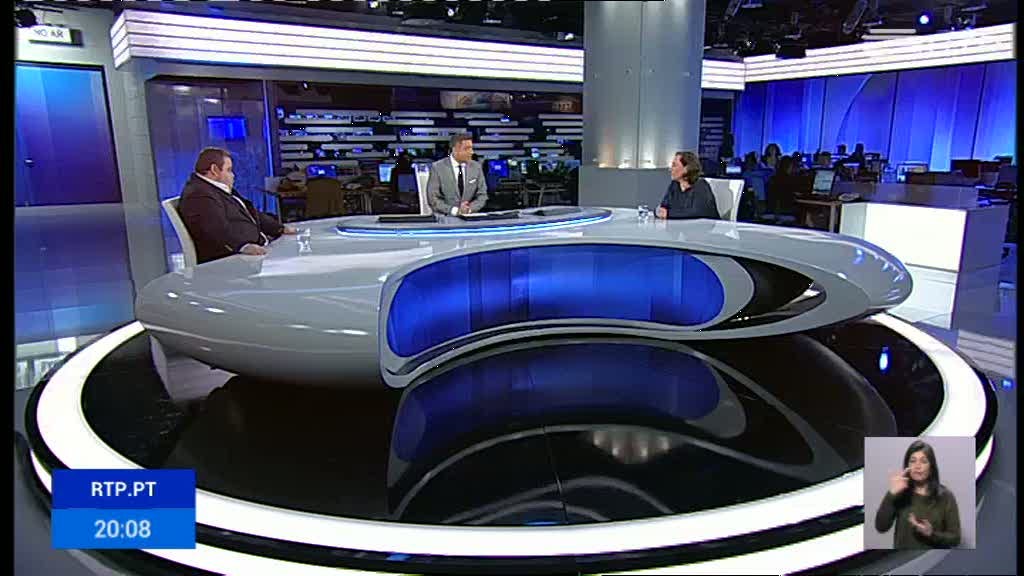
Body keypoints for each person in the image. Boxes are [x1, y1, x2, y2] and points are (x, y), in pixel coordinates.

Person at [178, 147, 297, 264]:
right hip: (234, 261)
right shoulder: (198, 194)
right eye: (229, 170)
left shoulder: (216, 189)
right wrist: (242, 246)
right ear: (214, 170)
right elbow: (215, 230)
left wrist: (279, 228)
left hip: (260, 248)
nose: (233, 175)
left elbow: (251, 213)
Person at [874, 440, 962, 549]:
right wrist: (891, 494)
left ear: (931, 467)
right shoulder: (900, 492)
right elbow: (881, 527)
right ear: (907, 466)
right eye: (913, 461)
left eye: (923, 461)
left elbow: (955, 538)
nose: (917, 466)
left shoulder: (945, 496)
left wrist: (931, 534)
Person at [427, 133, 488, 216]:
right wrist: (455, 211)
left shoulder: (476, 167)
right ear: (455, 149)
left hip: (470, 217)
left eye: (471, 148)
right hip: (445, 217)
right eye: (467, 149)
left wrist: (469, 208)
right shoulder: (437, 167)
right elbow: (433, 199)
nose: (471, 152)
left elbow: (482, 195)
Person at [655, 151, 719, 220]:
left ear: (687, 168)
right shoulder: (674, 185)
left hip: (705, 225)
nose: (671, 169)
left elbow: (697, 212)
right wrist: (659, 211)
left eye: (674, 165)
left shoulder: (701, 185)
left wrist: (668, 214)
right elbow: (664, 206)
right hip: (681, 225)